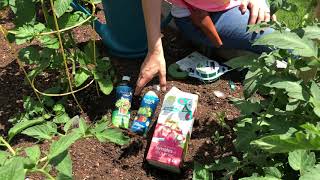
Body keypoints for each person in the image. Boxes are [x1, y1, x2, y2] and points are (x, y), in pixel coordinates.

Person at [134, 0, 276, 95]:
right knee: (284, 46)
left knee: (286, 43)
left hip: (239, 4)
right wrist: (155, 50)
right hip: (203, 16)